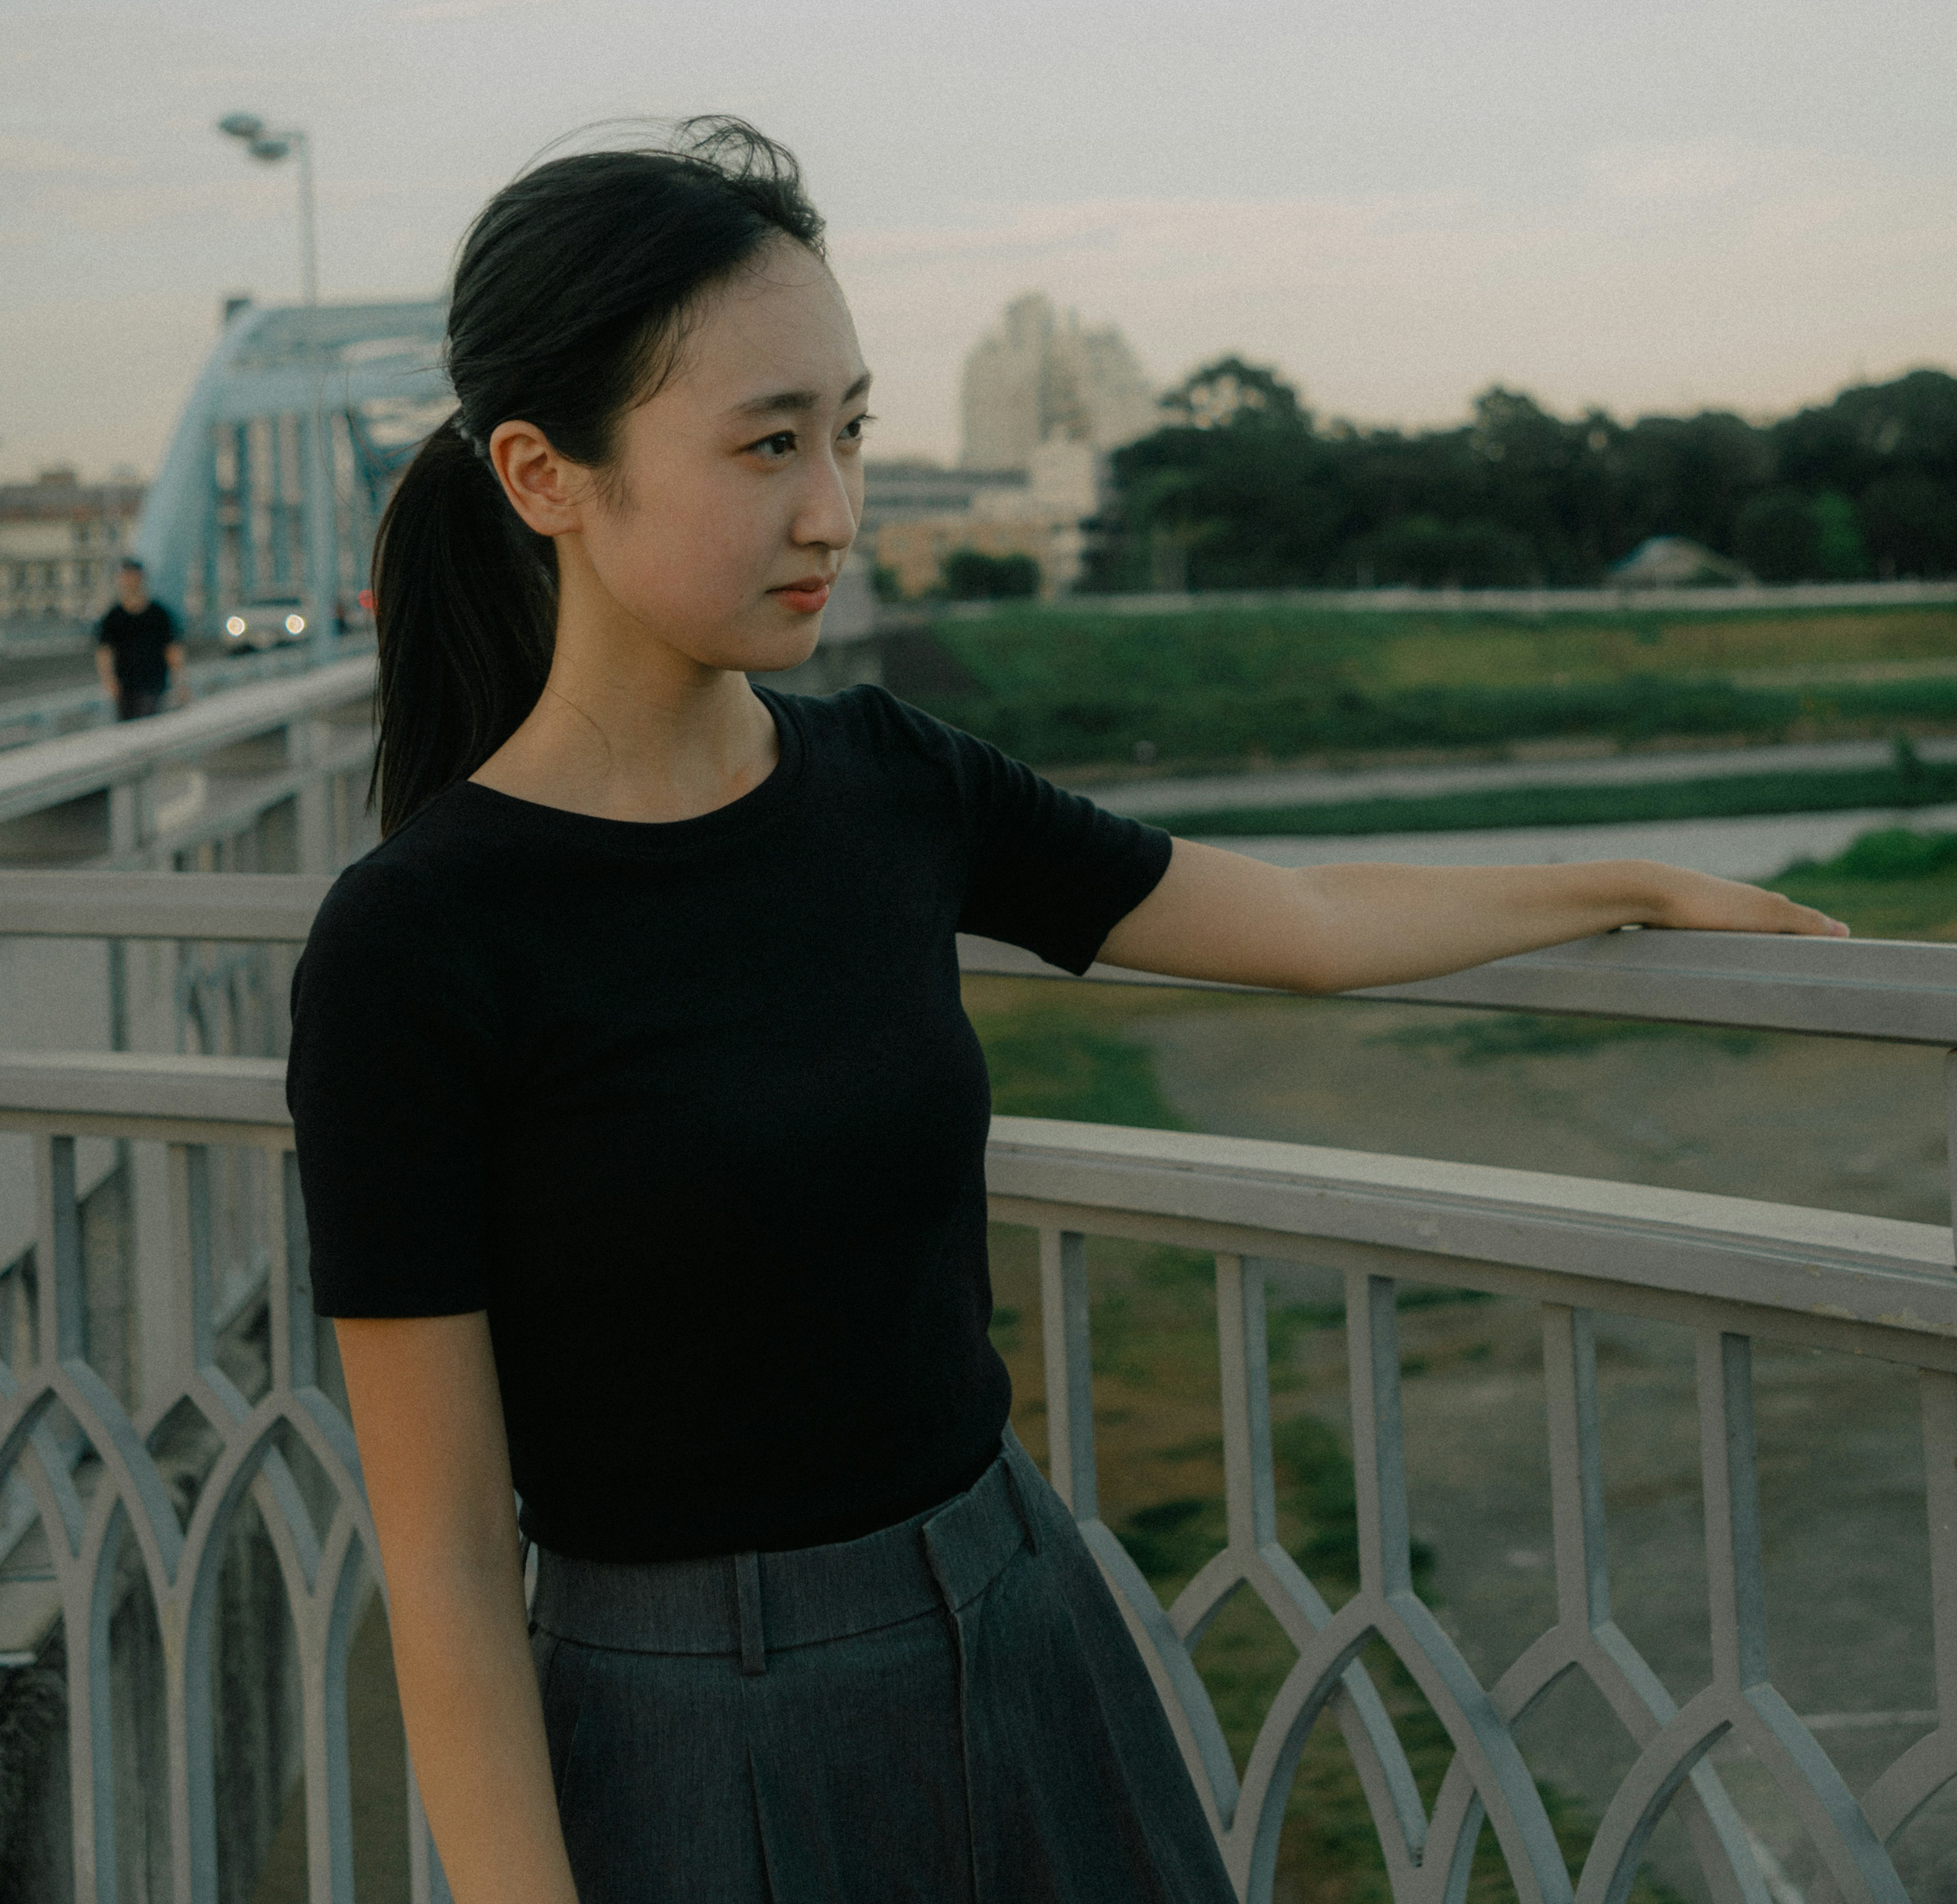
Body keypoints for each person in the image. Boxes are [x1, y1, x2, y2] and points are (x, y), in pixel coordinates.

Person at [284, 121, 1849, 1904]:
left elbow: (1308, 916)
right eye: (768, 440)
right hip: (689, 1723)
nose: (834, 507)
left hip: (1021, 1623)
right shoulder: (418, 942)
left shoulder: (892, 783)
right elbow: (446, 1561)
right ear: (544, 471)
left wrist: (1623, 881)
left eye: (851, 428)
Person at [94, 559, 184, 722]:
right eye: (127, 577)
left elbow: (172, 650)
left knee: (148, 725)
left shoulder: (159, 614)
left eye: (134, 576)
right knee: (130, 729)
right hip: (125, 689)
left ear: (142, 579)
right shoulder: (113, 617)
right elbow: (104, 652)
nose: (130, 581)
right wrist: (109, 680)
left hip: (154, 685)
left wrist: (180, 682)